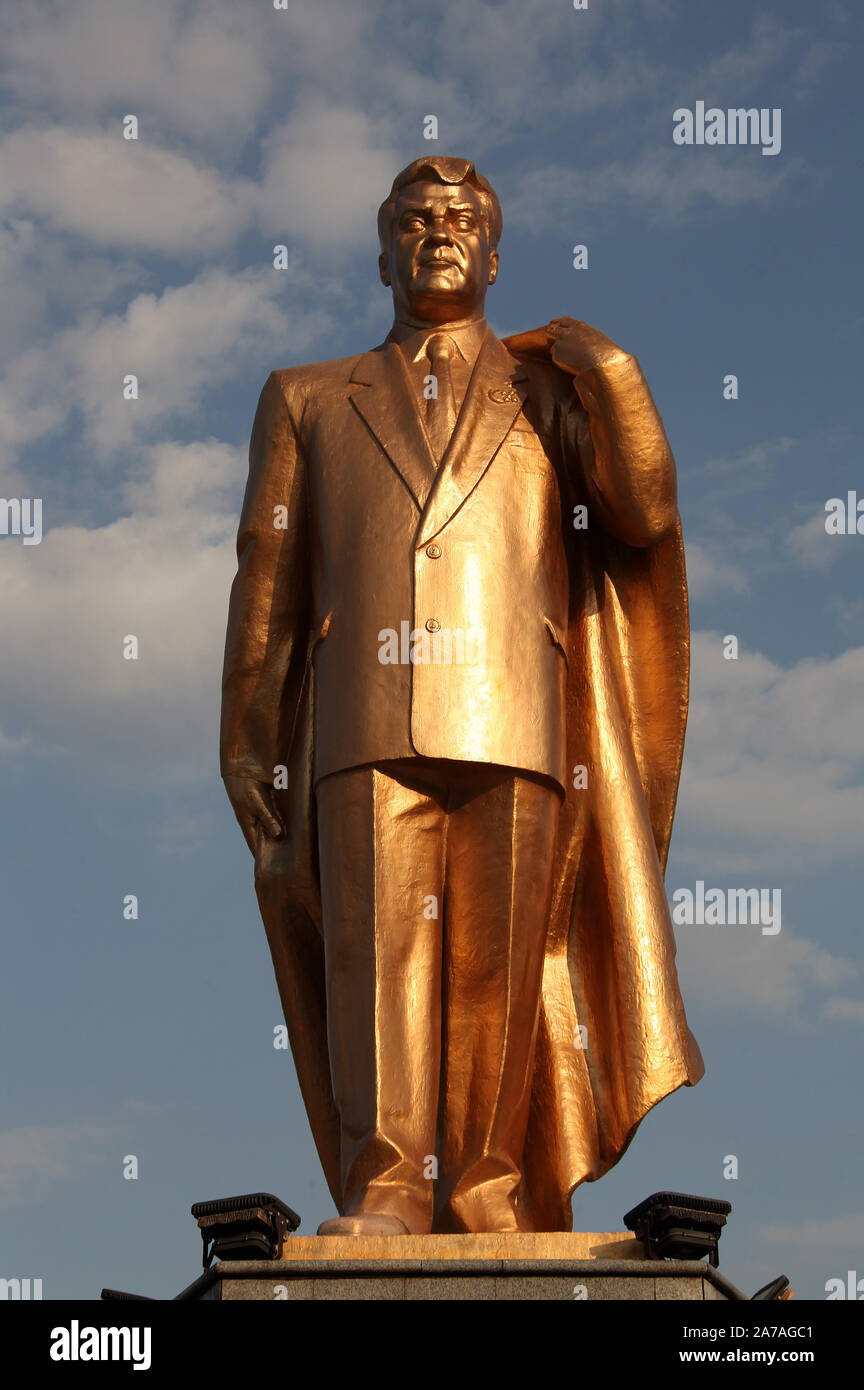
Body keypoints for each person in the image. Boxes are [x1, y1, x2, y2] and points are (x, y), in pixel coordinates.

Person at [220, 156, 704, 1235]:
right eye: (413, 219)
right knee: (375, 962)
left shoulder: (551, 392)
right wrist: (249, 735)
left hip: (514, 714)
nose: (437, 232)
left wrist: (614, 372)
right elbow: (269, 576)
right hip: (363, 717)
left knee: (499, 970)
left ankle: (488, 1184)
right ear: (382, 254)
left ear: (493, 256)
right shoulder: (306, 396)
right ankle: (387, 1183)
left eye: (460, 219)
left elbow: (643, 513)